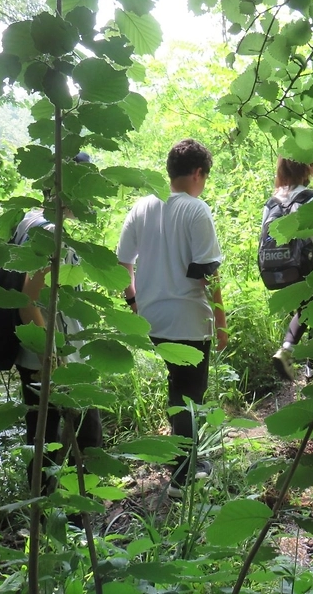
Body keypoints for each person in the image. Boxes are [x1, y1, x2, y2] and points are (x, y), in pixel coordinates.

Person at [116, 139, 228, 497]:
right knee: (188, 393)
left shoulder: (142, 207)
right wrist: (222, 324)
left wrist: (133, 302)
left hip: (152, 320)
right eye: (205, 176)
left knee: (177, 384)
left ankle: (187, 458)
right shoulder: (196, 210)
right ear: (197, 173)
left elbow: (123, 262)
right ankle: (182, 477)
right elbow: (207, 274)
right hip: (188, 319)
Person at [16, 152, 102, 493]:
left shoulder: (29, 220)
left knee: (44, 434)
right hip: (51, 357)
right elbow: (26, 299)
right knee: (79, 434)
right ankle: (76, 515)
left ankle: (47, 513)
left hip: (37, 354)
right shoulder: (51, 233)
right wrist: (53, 356)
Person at [267, 158, 313, 382]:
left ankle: (300, 358)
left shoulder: (273, 200)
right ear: (308, 167)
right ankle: (304, 363)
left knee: (305, 307)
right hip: (306, 262)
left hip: (278, 264)